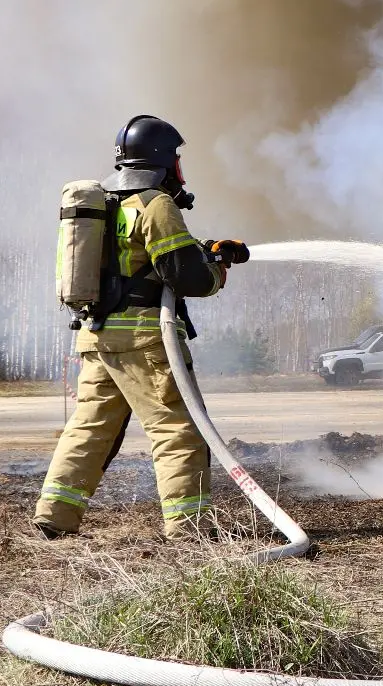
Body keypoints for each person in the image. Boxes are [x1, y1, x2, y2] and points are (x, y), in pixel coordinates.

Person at [33, 116, 238, 540]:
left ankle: (54, 516)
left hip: (97, 335)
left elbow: (140, 260)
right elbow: (187, 277)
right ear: (164, 160)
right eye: (177, 158)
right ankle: (189, 528)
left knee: (90, 428)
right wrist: (218, 270)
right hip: (144, 339)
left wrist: (206, 250)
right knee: (178, 430)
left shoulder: (107, 205)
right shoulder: (155, 204)